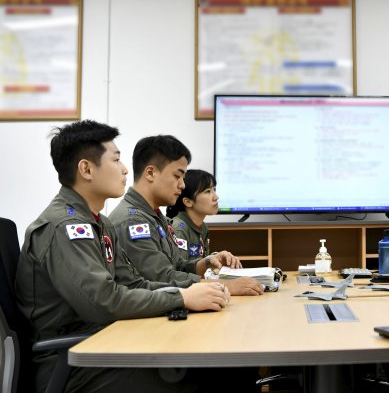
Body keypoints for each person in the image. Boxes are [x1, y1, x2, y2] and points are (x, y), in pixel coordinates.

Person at [15, 120, 231, 392]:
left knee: (212, 365)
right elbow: (103, 302)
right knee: (206, 376)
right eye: (116, 160)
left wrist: (195, 290)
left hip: (102, 343)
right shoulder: (64, 228)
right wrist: (182, 297)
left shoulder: (100, 223)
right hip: (73, 362)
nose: (125, 169)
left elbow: (133, 284)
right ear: (86, 169)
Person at [108, 135, 263, 296]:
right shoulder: (133, 221)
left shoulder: (155, 216)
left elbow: (178, 265)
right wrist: (224, 286)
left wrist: (207, 262)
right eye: (177, 176)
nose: (182, 185)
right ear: (151, 173)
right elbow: (161, 278)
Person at [166, 169, 218, 261]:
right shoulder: (179, 228)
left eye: (214, 189)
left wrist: (216, 258)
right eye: (208, 191)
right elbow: (180, 270)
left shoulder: (203, 227)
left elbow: (202, 262)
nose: (216, 197)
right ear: (188, 202)